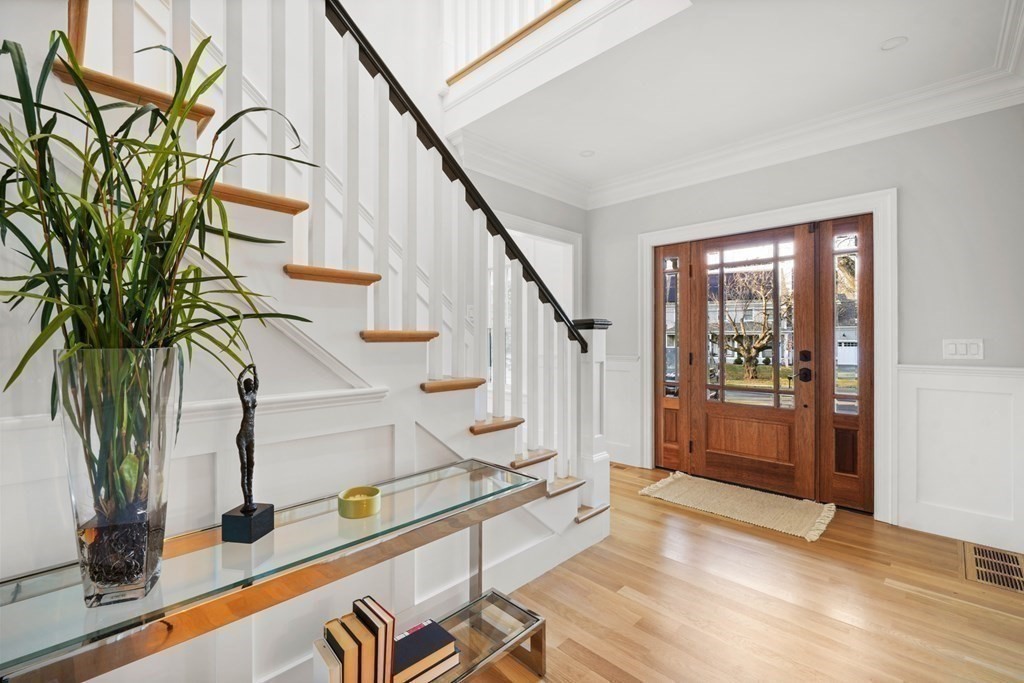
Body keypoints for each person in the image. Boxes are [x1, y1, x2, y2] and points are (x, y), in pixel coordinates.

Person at [236, 364, 259, 514]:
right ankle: (246, 501)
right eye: (249, 383)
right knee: (244, 468)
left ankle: (251, 497)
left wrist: (255, 370)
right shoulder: (244, 396)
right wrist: (246, 369)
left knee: (251, 465)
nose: (251, 385)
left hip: (251, 435)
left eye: (251, 383)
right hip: (243, 436)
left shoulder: (254, 395)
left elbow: (258, 382)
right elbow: (238, 381)